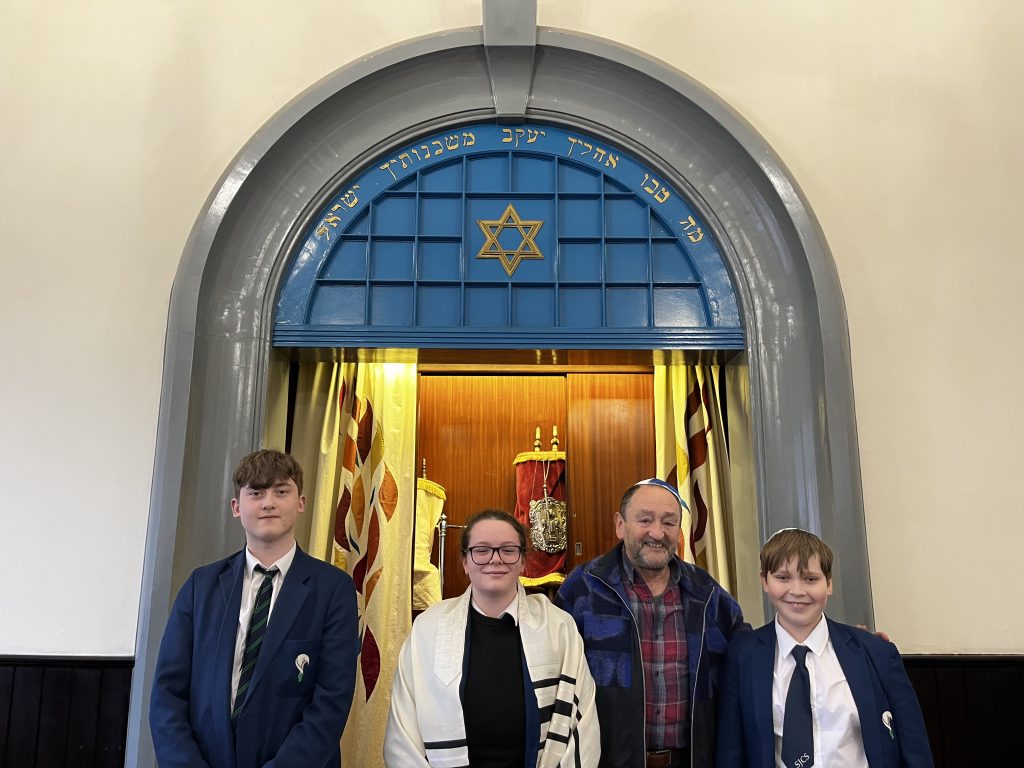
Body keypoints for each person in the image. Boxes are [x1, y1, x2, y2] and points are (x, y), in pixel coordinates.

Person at [149, 449, 359, 768]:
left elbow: (331, 701)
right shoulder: (200, 587)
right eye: (256, 493)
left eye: (281, 491)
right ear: (236, 507)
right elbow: (167, 695)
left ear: (301, 502)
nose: (268, 503)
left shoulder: (333, 590)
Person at [556, 478, 749, 768]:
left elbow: (748, 658)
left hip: (691, 761)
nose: (657, 533)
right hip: (607, 761)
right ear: (620, 525)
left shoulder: (706, 593)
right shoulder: (584, 588)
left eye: (669, 523)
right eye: (645, 520)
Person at [384, 509, 600, 767]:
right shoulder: (428, 629)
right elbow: (403, 735)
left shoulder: (558, 627)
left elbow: (583, 724)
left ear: (523, 561)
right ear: (465, 561)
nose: (495, 559)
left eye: (508, 550)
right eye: (481, 550)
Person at [715, 528, 933, 768]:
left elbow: (915, 749)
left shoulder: (876, 652)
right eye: (783, 578)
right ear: (765, 581)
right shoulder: (743, 655)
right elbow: (731, 752)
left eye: (810, 579)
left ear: (828, 583)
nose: (797, 591)